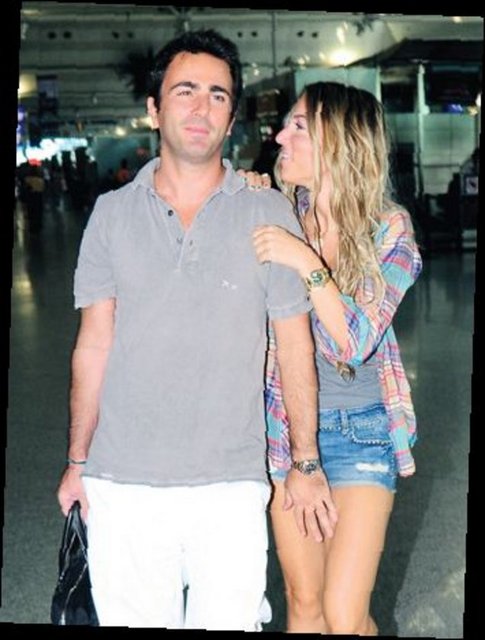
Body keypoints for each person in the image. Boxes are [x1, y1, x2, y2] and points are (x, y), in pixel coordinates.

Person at [56, 30, 337, 631]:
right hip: (123, 482)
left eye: (218, 95)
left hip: (231, 485)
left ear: (232, 117)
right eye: (184, 91)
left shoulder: (268, 211)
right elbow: (94, 344)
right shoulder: (110, 214)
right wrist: (77, 460)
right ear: (153, 108)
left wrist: (306, 461)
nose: (201, 107)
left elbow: (295, 344)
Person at [250, 81, 422, 634]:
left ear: (341, 142)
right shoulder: (277, 213)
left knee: (345, 616)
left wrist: (306, 261)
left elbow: (355, 340)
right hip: (286, 431)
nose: (281, 136)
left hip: (363, 432)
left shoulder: (390, 230)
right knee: (304, 604)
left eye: (299, 126)